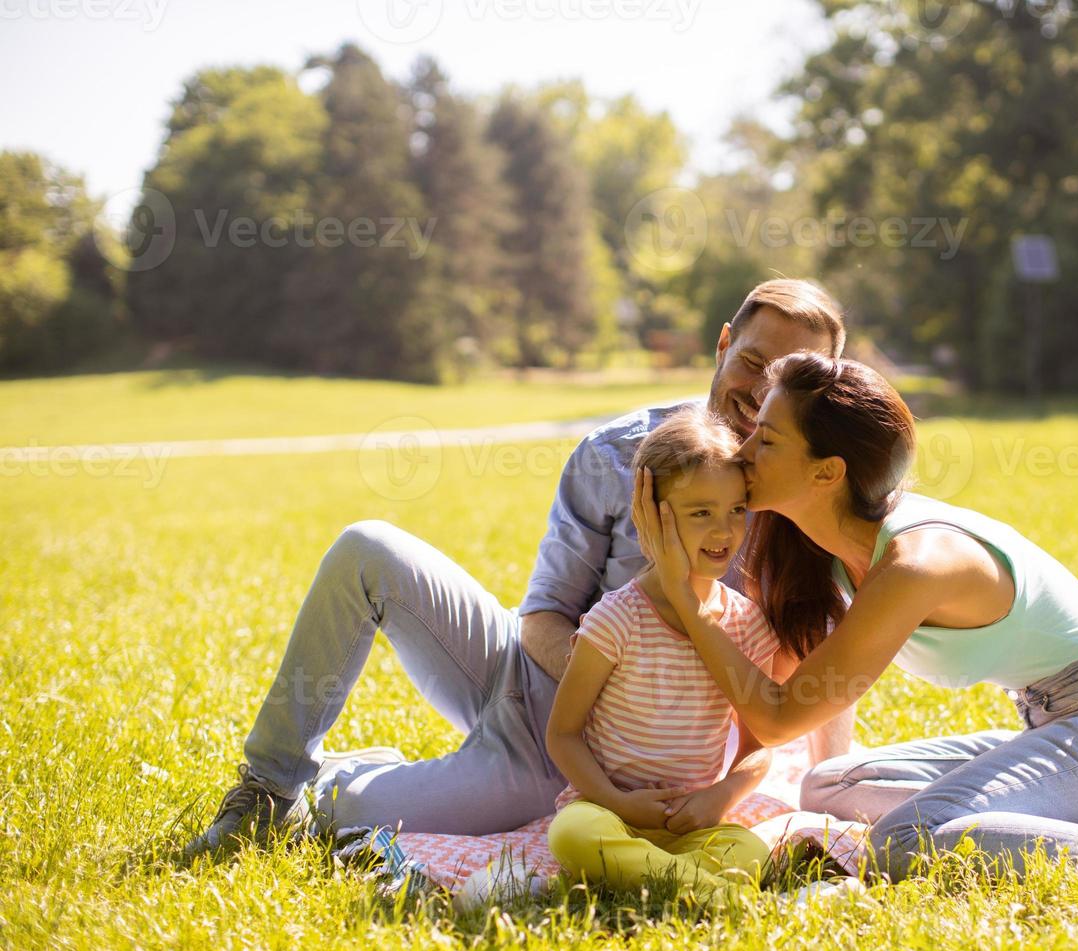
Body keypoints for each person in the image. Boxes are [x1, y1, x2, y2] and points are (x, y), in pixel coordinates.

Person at [185, 280, 855, 856]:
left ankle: (350, 780)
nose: (760, 390)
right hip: (536, 683)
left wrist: (830, 810)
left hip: (566, 763)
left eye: (788, 377)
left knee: (346, 819)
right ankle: (270, 786)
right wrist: (606, 682)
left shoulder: (809, 501)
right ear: (721, 345)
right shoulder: (616, 452)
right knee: (368, 548)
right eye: (750, 360)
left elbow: (819, 673)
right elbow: (542, 616)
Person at [632, 352, 1078, 916]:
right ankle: (1061, 820)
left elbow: (777, 718)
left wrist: (684, 600)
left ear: (827, 472)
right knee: (826, 786)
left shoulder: (917, 561)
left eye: (767, 441)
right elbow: (792, 703)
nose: (744, 455)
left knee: (903, 842)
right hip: (1058, 726)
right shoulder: (835, 548)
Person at [545, 407, 787, 905]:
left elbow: (758, 747)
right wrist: (618, 803)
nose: (724, 532)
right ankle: (711, 895)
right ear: (649, 515)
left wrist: (721, 796)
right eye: (701, 513)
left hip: (689, 825)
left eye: (736, 510)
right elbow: (563, 734)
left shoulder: (746, 624)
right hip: (605, 812)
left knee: (750, 850)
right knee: (572, 836)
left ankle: (661, 879)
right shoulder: (617, 619)